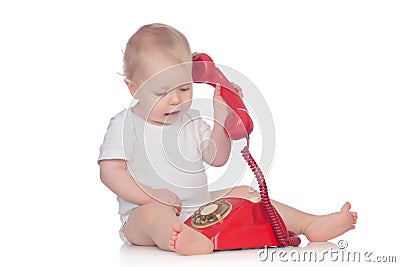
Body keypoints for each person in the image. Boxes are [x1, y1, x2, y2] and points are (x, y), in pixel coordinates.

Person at [98, 23, 357, 256]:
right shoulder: (125, 124)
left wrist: (221, 117)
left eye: (185, 88)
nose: (176, 99)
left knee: (247, 194)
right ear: (134, 89)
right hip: (143, 216)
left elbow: (217, 158)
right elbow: (110, 171)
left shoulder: (191, 119)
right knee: (154, 214)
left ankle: (310, 223)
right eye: (162, 91)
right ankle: (183, 240)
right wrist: (151, 195)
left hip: (198, 205)